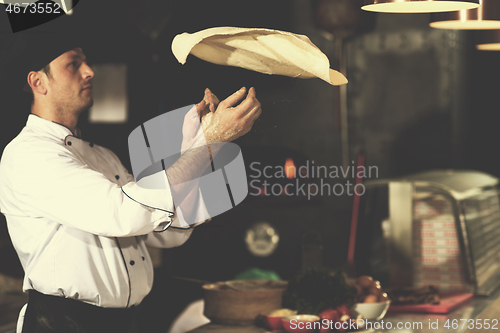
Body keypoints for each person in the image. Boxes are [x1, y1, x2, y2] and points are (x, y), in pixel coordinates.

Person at [0, 38, 262, 332]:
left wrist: (195, 145)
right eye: (74, 64)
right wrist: (208, 144)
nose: (89, 71)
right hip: (63, 324)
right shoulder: (29, 154)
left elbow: (164, 231)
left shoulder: (102, 157)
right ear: (38, 82)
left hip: (126, 322)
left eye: (85, 62)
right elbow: (125, 214)